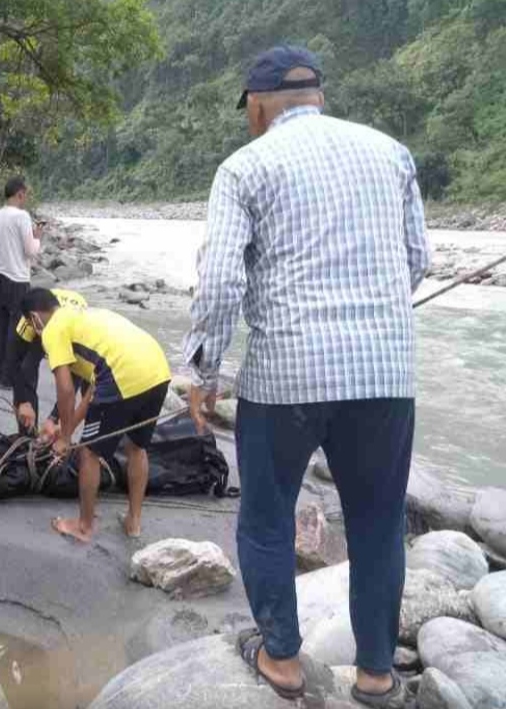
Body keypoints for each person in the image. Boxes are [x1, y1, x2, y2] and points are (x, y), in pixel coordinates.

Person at [182, 46, 429, 707]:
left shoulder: (245, 166)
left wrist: (202, 372)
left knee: (265, 518)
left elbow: (224, 280)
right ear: (317, 95)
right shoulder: (391, 153)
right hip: (385, 375)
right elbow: (417, 261)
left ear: (258, 104)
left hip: (284, 377)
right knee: (378, 522)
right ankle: (377, 674)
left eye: (248, 111)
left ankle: (282, 659)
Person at [20, 289, 171, 542]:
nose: (36, 334)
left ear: (35, 318)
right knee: (136, 447)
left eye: (32, 327)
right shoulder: (81, 317)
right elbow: (91, 393)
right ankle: (133, 522)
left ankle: (84, 527)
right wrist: (66, 429)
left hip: (123, 371)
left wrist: (66, 439)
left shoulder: (52, 329)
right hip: (158, 369)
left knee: (89, 452)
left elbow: (66, 390)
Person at [7, 288, 88, 435]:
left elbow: (72, 381)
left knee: (88, 389)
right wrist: (22, 401)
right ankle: (28, 437)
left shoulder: (73, 326)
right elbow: (14, 362)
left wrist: (55, 418)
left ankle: (90, 440)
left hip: (70, 328)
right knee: (26, 371)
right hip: (41, 314)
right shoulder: (29, 322)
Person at [0, 176, 42, 389]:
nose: (26, 198)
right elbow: (30, 251)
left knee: (2, 325)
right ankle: (9, 377)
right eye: (26, 194)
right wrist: (38, 236)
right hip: (17, 277)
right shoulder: (21, 217)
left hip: (0, 275)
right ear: (20, 193)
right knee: (17, 327)